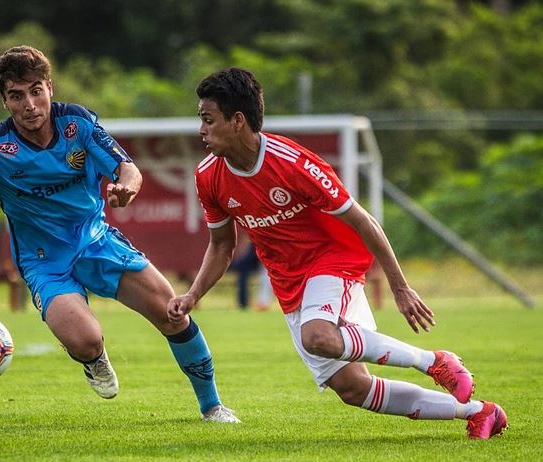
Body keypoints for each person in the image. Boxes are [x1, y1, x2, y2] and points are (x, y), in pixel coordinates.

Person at [0, 46, 239, 423]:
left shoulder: (78, 124)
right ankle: (93, 359)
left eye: (35, 90)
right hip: (45, 264)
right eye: (17, 95)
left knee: (173, 314)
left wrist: (127, 188)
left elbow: (128, 169)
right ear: (5, 101)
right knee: (86, 340)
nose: (29, 104)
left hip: (97, 242)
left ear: (49, 88)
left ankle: (212, 406)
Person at [167, 67, 507, 439]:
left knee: (319, 337)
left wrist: (400, 287)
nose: (201, 130)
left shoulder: (293, 163)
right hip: (289, 282)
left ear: (237, 121)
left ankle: (435, 361)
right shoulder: (208, 176)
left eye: (207, 119)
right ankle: (479, 413)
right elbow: (222, 245)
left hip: (334, 259)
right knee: (353, 388)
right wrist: (193, 294)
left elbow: (364, 222)